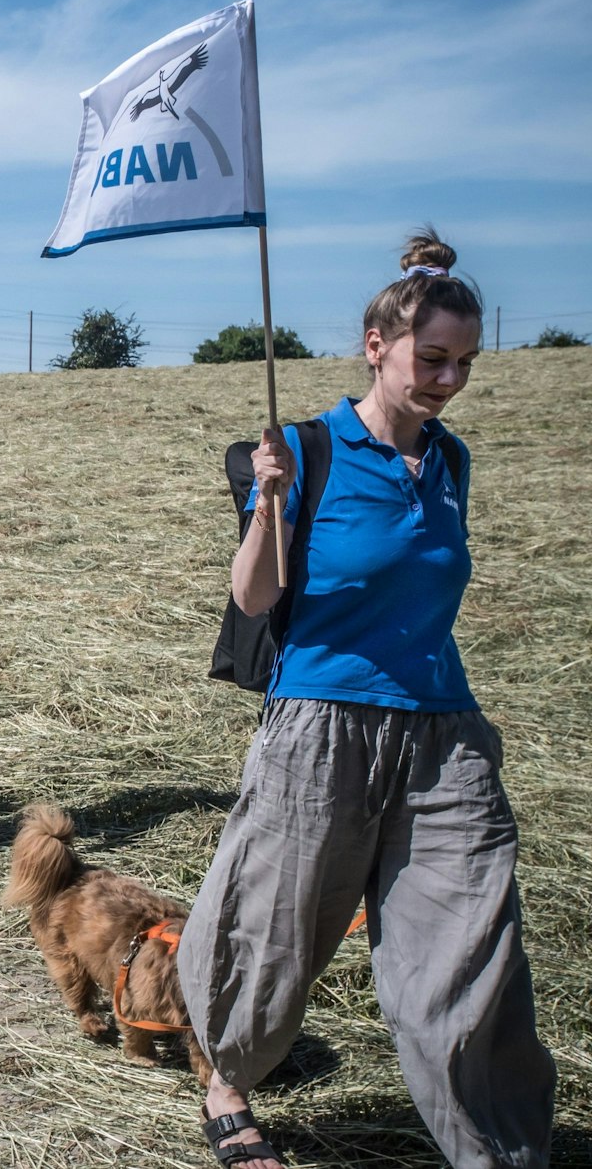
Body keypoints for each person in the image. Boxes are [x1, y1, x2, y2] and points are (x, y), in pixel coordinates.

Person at [177, 231, 553, 1169]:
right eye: (433, 359)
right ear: (376, 345)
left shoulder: (451, 462)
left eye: (465, 363)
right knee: (279, 924)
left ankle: (498, 1149)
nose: (448, 380)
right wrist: (268, 505)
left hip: (444, 730)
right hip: (321, 723)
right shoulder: (306, 448)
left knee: (473, 944)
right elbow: (256, 598)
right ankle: (227, 1077)